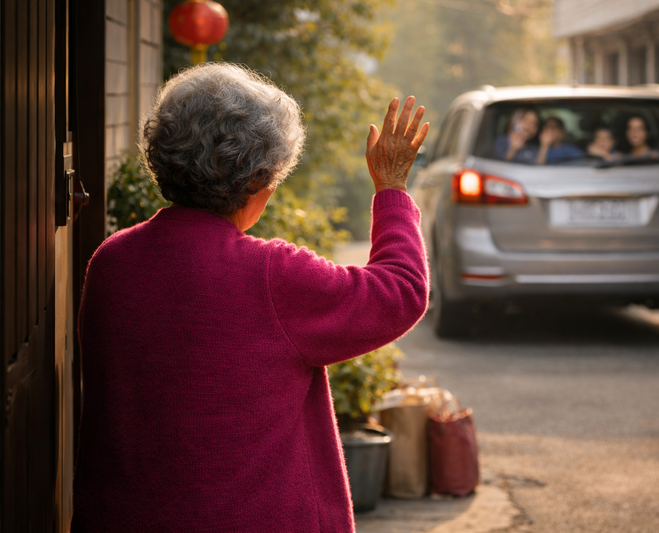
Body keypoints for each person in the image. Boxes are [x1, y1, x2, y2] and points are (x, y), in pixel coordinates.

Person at [71, 63, 430, 533]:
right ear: (258, 181)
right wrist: (392, 189)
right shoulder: (270, 276)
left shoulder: (110, 262)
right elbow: (400, 291)